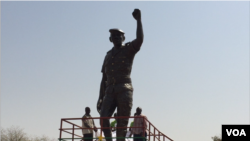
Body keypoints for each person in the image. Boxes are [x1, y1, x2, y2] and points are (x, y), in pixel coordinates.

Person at [97, 9, 144, 141]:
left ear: (123, 38)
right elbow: (103, 79)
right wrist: (100, 97)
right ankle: (108, 140)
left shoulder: (128, 50)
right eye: (114, 36)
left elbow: (140, 40)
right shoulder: (107, 56)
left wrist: (139, 21)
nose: (117, 38)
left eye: (119, 36)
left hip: (124, 89)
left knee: (122, 123)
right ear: (110, 39)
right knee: (103, 118)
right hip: (109, 91)